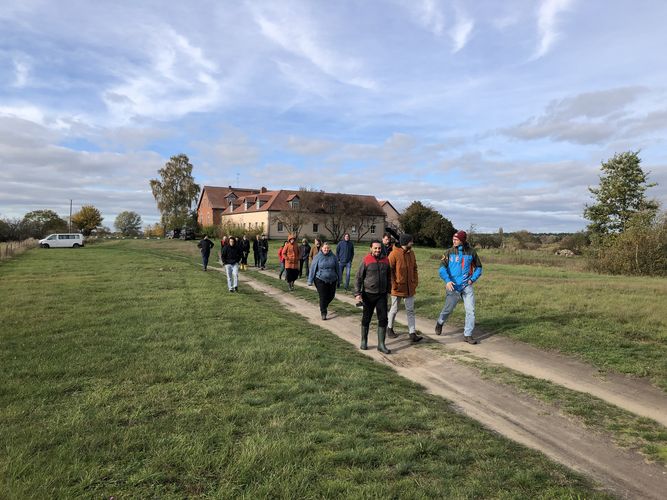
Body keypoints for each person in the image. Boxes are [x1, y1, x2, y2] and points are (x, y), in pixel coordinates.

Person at [435, 230, 483, 344]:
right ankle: (440, 322)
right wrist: (447, 281)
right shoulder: (448, 252)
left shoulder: (471, 252)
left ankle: (468, 335)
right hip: (453, 286)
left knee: (471, 311)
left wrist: (472, 279)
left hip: (467, 286)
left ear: (462, 240)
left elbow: (479, 267)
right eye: (453, 239)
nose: (453, 241)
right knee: (448, 309)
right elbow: (442, 268)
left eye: (456, 239)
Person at [354, 240, 392, 354]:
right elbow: (358, 278)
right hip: (368, 294)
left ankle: (381, 344)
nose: (377, 250)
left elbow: (389, 276)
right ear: (371, 248)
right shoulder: (366, 260)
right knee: (366, 318)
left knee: (383, 319)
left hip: (382, 295)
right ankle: (364, 340)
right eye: (375, 248)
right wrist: (357, 293)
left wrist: (389, 290)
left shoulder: (386, 260)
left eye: (379, 248)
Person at [387, 233, 422, 343]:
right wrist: (394, 284)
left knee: (410, 310)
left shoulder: (412, 253)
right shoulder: (393, 254)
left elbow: (415, 268)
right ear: (405, 243)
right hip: (397, 288)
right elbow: (389, 271)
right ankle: (389, 328)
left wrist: (415, 281)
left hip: (410, 287)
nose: (413, 243)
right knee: (394, 309)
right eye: (411, 241)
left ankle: (412, 333)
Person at [307, 242, 340, 320]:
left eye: (328, 248)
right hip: (320, 279)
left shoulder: (333, 257)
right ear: (322, 248)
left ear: (330, 248)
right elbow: (312, 269)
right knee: (323, 296)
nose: (326, 249)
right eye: (325, 248)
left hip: (332, 279)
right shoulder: (317, 257)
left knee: (331, 295)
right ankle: (323, 312)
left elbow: (338, 269)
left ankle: (323, 305)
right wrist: (310, 280)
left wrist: (339, 280)